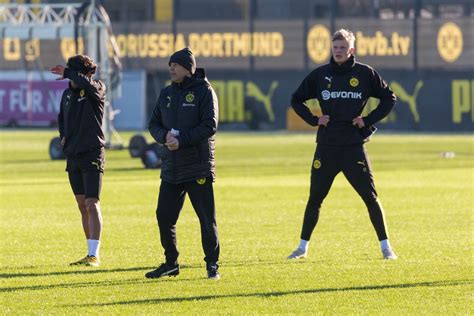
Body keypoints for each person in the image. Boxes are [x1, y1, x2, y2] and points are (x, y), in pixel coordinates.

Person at [288, 29, 398, 260]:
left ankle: (386, 248)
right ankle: (301, 248)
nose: (338, 52)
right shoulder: (320, 75)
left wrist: (366, 120)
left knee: (370, 197)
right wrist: (314, 119)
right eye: (335, 47)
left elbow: (389, 98)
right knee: (315, 198)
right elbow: (296, 99)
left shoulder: (365, 74)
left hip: (352, 147)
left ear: (351, 50)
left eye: (342, 48)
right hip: (326, 147)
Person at [146, 47, 220, 279]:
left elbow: (210, 125)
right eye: (170, 65)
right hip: (171, 167)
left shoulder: (204, 91)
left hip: (197, 166)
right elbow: (154, 124)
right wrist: (164, 137)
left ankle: (212, 265)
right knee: (164, 216)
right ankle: (171, 262)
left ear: (189, 68)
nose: (171, 68)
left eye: (175, 65)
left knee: (206, 219)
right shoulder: (167, 93)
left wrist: (182, 140)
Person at [51, 55, 105, 267]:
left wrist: (68, 73)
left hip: (92, 153)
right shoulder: (67, 94)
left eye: (72, 73)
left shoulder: (97, 88)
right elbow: (62, 119)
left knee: (92, 203)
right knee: (82, 205)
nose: (70, 78)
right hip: (73, 155)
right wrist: (63, 136)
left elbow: (83, 82)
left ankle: (94, 255)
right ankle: (88, 251)